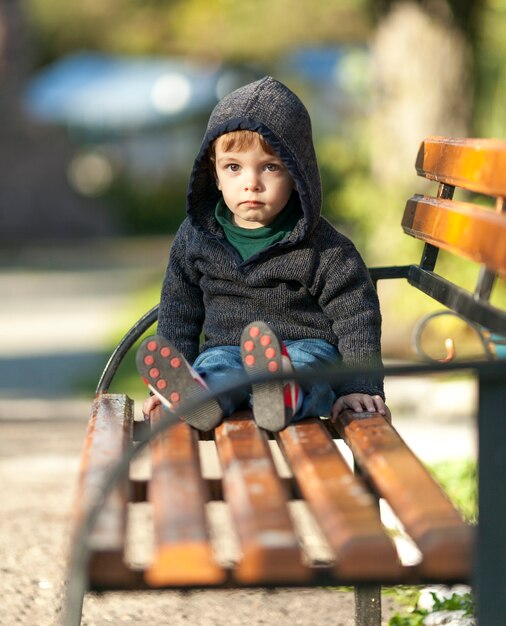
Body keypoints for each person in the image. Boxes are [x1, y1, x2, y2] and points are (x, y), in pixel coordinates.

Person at [137, 76, 389, 432]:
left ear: (298, 174)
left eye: (270, 167)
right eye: (234, 167)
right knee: (217, 370)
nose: (251, 182)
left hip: (305, 348)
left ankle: (283, 393)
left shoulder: (325, 248)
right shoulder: (196, 237)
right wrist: (169, 374)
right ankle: (198, 398)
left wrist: (359, 386)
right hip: (226, 348)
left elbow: (357, 318)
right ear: (215, 174)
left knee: (310, 370)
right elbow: (179, 310)